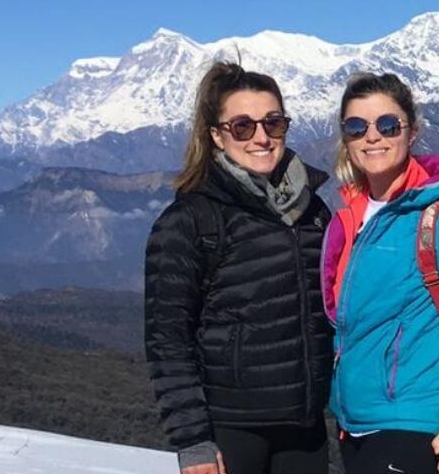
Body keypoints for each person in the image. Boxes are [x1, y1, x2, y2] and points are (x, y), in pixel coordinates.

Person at [144, 62, 335, 474]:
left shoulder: (312, 210)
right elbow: (167, 339)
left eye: (274, 123)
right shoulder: (190, 221)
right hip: (230, 428)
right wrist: (192, 439)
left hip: (305, 425)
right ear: (217, 135)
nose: (262, 137)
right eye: (243, 126)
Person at [322, 72, 439, 474]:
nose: (372, 137)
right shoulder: (349, 218)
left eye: (387, 125)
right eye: (357, 127)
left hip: (416, 424)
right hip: (354, 425)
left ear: (413, 132)